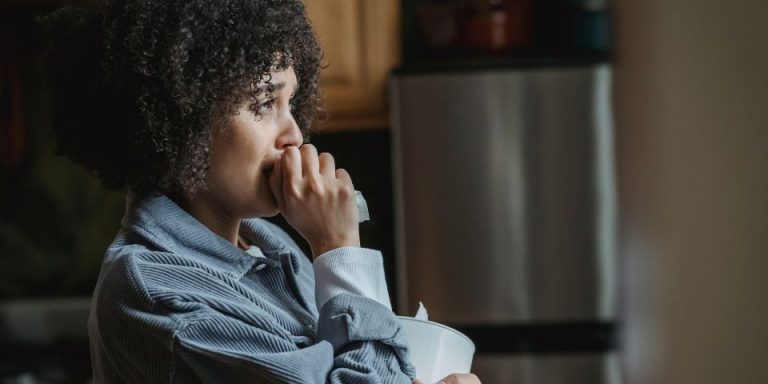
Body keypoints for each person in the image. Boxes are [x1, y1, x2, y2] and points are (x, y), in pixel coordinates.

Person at [39, 1, 480, 383]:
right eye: (264, 104)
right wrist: (338, 246)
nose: (295, 133)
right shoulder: (157, 291)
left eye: (292, 102)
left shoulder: (265, 241)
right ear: (180, 119)